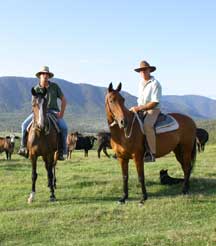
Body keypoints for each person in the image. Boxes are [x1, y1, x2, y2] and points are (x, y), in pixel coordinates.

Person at [18, 66, 68, 160]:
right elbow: (33, 104)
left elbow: (64, 100)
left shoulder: (55, 87)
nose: (45, 76)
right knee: (24, 125)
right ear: (40, 76)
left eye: (47, 74)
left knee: (64, 127)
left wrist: (61, 113)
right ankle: (23, 148)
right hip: (38, 112)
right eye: (43, 74)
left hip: (53, 111)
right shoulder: (36, 89)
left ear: (49, 76)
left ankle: (63, 151)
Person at [130, 60, 162, 162]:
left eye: (145, 70)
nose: (143, 72)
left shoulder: (155, 84)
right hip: (141, 109)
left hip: (153, 109)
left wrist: (139, 108)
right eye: (141, 71)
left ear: (149, 71)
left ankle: (152, 153)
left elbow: (154, 102)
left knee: (147, 125)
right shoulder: (140, 83)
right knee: (128, 122)